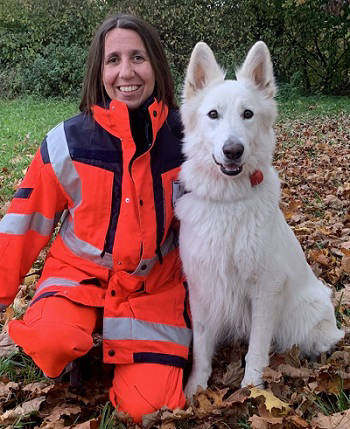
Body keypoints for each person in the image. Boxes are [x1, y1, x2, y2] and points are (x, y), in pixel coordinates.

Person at [0, 14, 191, 423]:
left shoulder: (189, 138)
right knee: (51, 341)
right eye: (114, 60)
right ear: (98, 71)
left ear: (156, 65)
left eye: (138, 57)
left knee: (148, 410)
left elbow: (234, 182)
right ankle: (79, 345)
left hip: (152, 290)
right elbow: (23, 224)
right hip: (77, 279)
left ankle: (123, 351)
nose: (126, 72)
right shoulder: (67, 141)